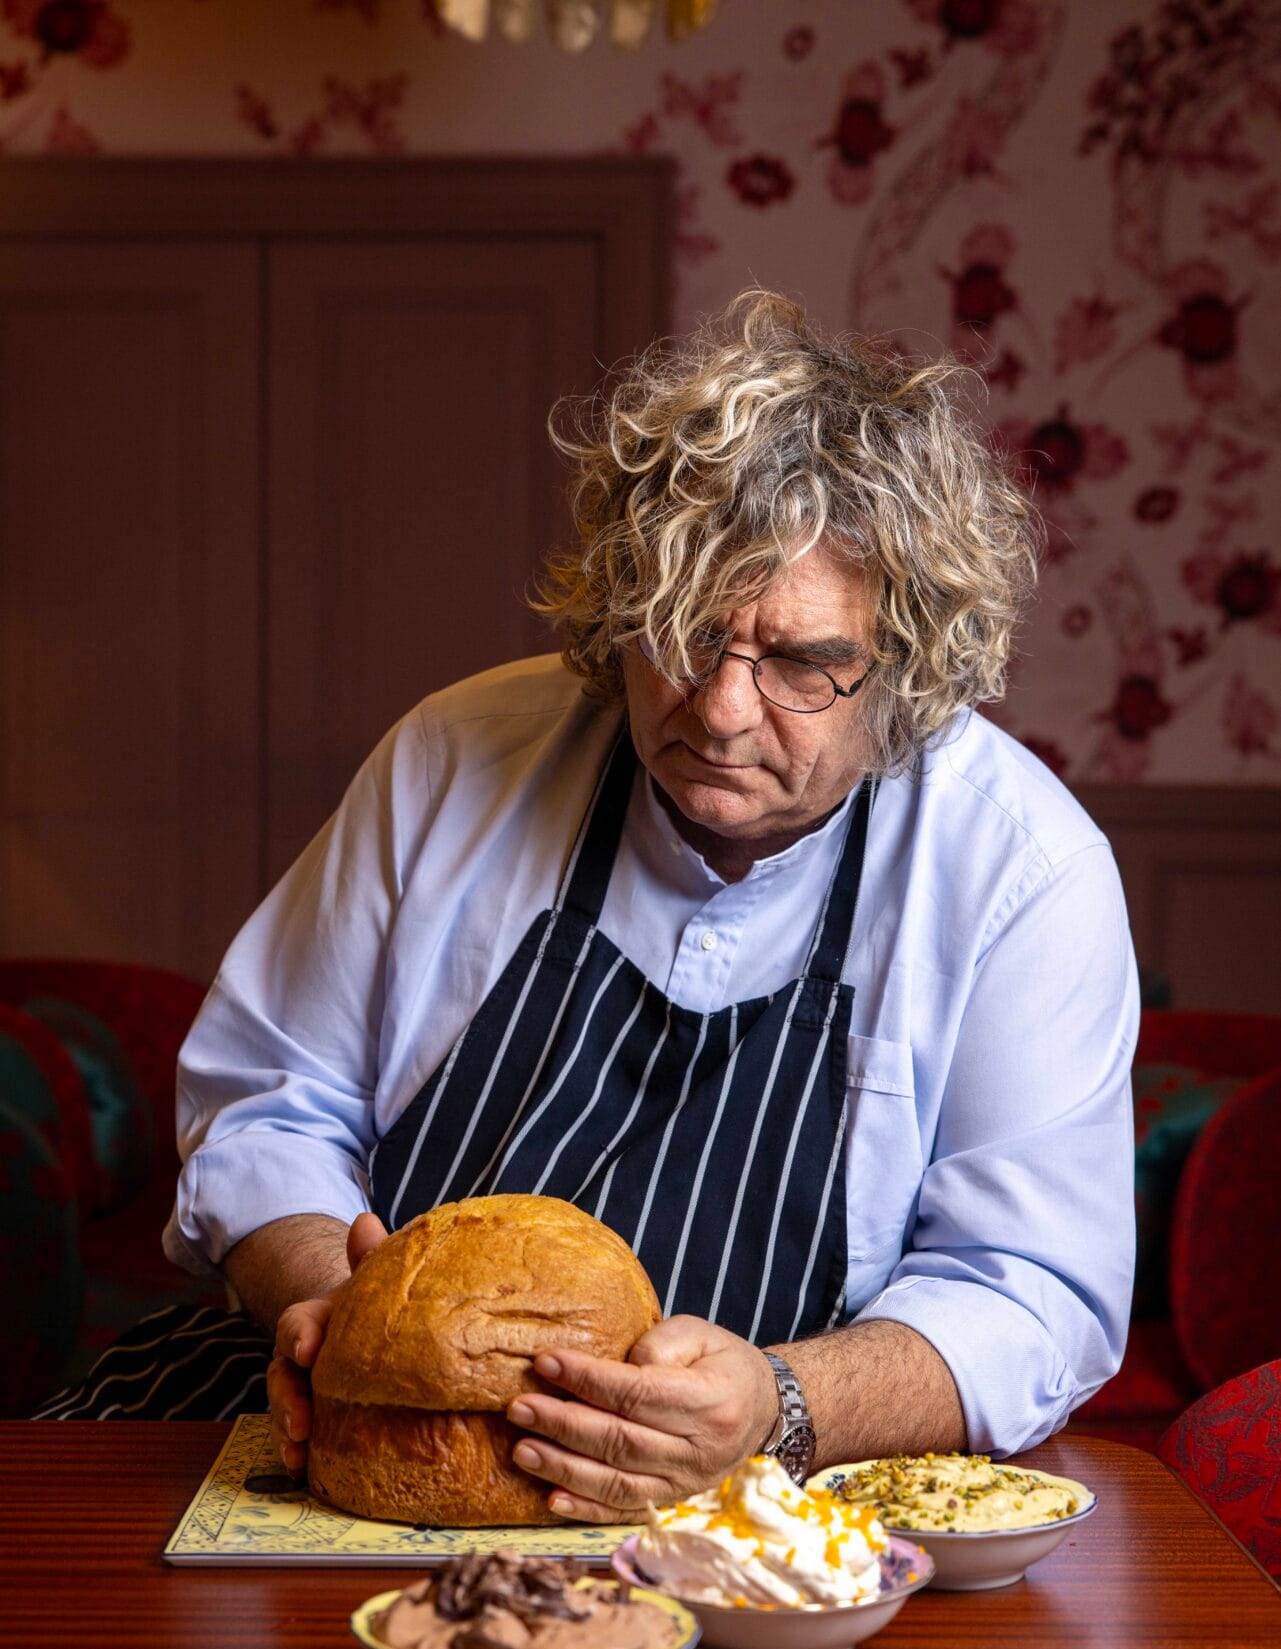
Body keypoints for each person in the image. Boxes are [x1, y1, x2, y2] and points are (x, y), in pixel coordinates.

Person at [38, 291, 1138, 1523]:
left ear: (913, 667)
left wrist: (778, 1404)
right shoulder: (457, 756)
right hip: (352, 1441)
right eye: (683, 633)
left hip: (760, 1503)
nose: (722, 710)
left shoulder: (1020, 873)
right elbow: (271, 1097)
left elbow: (1032, 1289)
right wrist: (325, 1305)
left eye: (801, 663)